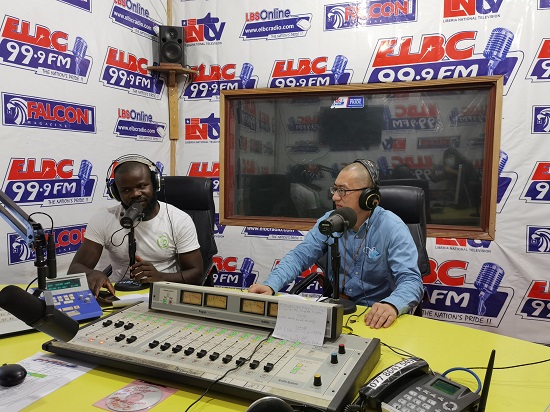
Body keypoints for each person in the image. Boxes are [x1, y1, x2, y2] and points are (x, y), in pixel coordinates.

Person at [249, 160, 424, 329]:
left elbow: (411, 280)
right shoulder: (331, 220)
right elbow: (299, 256)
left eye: (342, 191)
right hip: (336, 308)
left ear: (368, 196)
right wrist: (270, 284)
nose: (334, 197)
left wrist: (392, 305)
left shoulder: (392, 228)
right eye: (335, 189)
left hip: (374, 315)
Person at [68, 155, 203, 297]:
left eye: (142, 186)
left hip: (164, 294)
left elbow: (197, 274)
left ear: (155, 184)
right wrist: (91, 273)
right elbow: (75, 268)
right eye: (126, 190)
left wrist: (160, 277)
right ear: (116, 193)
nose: (136, 194)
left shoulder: (178, 220)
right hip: (118, 295)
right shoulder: (103, 219)